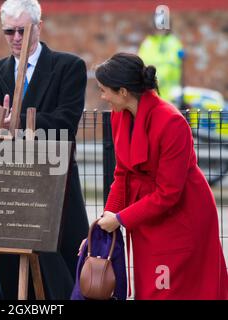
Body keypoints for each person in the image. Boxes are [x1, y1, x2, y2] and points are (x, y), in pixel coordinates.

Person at [0, 0, 89, 299]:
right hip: (10, 192)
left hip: (56, 187)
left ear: (39, 26)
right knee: (13, 278)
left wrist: (19, 122)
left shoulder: (68, 67)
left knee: (62, 275)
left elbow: (66, 124)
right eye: (9, 31)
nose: (16, 38)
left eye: (23, 31)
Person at [89, 52, 228, 299]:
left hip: (182, 216)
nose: (102, 97)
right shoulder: (118, 115)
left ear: (123, 91)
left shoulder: (171, 122)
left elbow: (169, 193)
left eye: (104, 90)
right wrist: (106, 222)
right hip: (146, 215)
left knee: (173, 290)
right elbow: (122, 174)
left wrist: (120, 219)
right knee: (151, 286)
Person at [138, 12, 183, 102]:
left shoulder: (173, 43)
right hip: (150, 93)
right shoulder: (147, 43)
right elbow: (140, 65)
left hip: (171, 94)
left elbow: (175, 64)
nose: (160, 30)